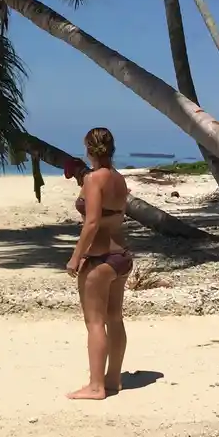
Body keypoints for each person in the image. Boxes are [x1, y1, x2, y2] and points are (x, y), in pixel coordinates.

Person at [65, 127, 132, 401]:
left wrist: (76, 256)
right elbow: (110, 215)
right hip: (122, 256)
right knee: (115, 318)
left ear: (88, 148)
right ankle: (113, 378)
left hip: (100, 259)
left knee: (95, 322)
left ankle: (96, 386)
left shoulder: (94, 180)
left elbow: (92, 222)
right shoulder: (119, 179)